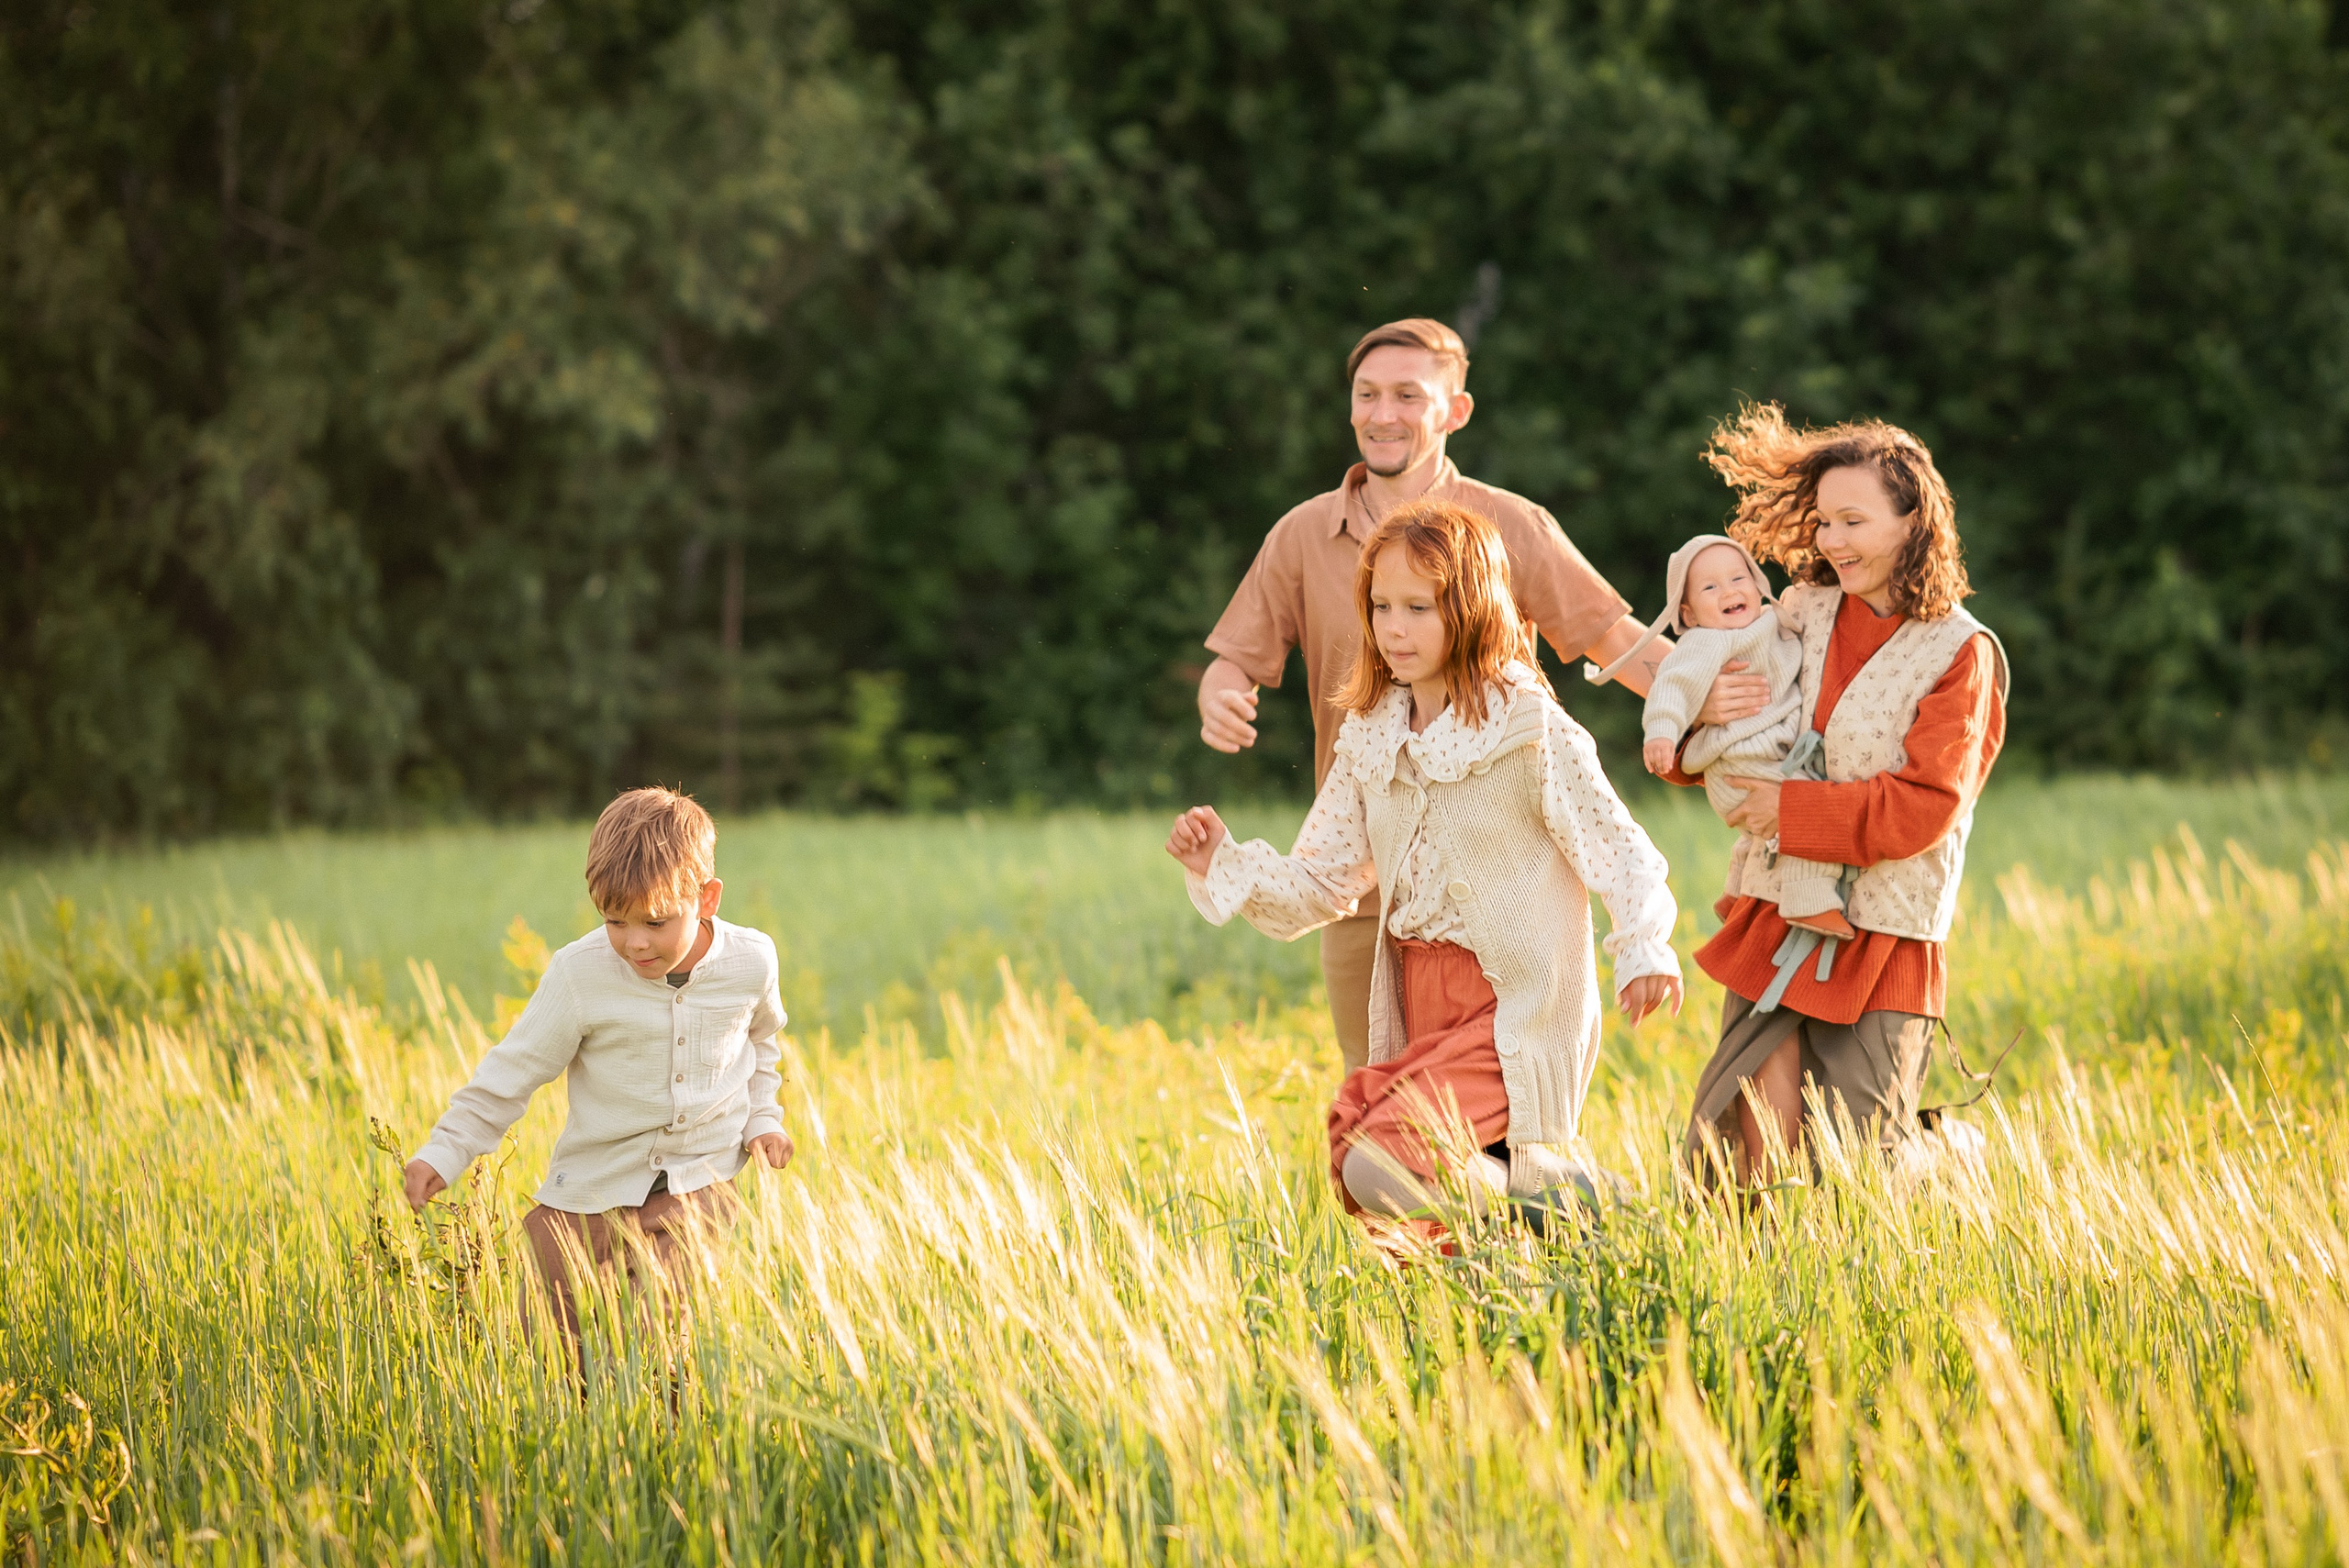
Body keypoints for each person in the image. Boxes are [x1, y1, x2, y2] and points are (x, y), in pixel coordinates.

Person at [1197, 317, 1768, 1073]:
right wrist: (1222, 694)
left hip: (1502, 871)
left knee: (1511, 1091)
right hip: (1358, 872)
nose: (1383, 412)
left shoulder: (1507, 524)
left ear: (1454, 410)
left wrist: (1705, 693)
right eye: (1367, 395)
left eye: (1408, 394)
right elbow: (1235, 655)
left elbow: (1611, 637)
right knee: (1381, 1096)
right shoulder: (1304, 534)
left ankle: (1542, 1188)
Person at [1168, 498, 1683, 1238]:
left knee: (1383, 1164)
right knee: (1404, 1199)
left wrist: (1643, 947)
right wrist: (1224, 862)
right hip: (1416, 997)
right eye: (1380, 605)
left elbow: (1621, 852)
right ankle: (1541, 1225)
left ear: (1470, 607)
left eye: (1419, 605)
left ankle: (1576, 1198)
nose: (1393, 628)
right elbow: (1324, 881)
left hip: (1514, 1002)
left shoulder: (1530, 729)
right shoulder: (1371, 736)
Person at [1665, 406, 2009, 1184]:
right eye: (1823, 522)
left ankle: (1947, 1159)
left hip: (1883, 937)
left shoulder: (1963, 652)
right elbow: (1719, 717)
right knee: (1749, 1150)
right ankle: (1752, 1302)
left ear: (1914, 519)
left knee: (1853, 1177)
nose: (1831, 542)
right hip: (1774, 915)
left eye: (1853, 520)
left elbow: (1925, 807)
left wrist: (1788, 813)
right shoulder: (1796, 612)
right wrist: (1699, 724)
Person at [403, 786, 795, 1337]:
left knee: (661, 1345)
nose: (634, 943)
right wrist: (445, 1150)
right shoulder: (579, 974)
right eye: (615, 922)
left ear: (707, 899)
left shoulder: (752, 962)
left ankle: (663, 1419)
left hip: (698, 1187)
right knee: (559, 1351)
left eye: (655, 923)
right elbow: (512, 1071)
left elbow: (761, 1045)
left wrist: (763, 1120)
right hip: (586, 1195)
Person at [1595, 532, 1854, 940]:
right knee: (1802, 809)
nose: (1728, 591)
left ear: (1757, 584)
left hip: (1764, 753)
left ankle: (1736, 890)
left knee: (1760, 830)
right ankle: (1811, 901)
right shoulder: (1704, 642)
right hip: (1741, 761)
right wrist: (1661, 733)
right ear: (1690, 613)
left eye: (1738, 579)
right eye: (1710, 587)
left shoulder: (1770, 623)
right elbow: (1672, 686)